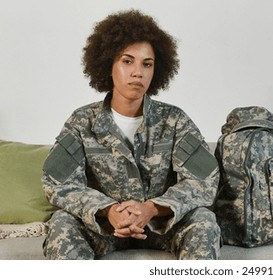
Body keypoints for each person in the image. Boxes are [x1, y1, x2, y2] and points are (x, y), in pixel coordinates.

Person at [41, 9, 220, 260]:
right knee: (62, 223)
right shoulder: (82, 122)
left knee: (204, 220)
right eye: (128, 61)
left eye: (147, 64)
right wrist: (107, 210)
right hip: (103, 228)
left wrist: (151, 208)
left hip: (161, 227)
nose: (138, 72)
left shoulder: (175, 120)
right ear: (108, 65)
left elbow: (204, 180)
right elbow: (57, 183)